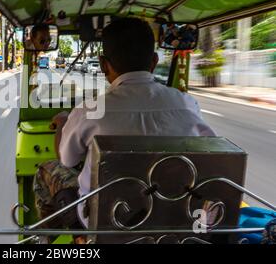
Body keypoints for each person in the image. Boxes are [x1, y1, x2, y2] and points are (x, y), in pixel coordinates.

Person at [33, 17, 216, 233]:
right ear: (154, 61)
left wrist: (63, 122)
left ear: (103, 65)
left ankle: (55, 237)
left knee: (47, 169)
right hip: (169, 217)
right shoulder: (187, 104)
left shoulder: (89, 110)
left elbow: (67, 159)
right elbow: (210, 156)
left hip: (102, 221)